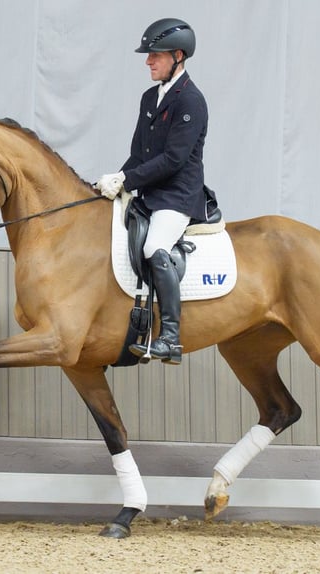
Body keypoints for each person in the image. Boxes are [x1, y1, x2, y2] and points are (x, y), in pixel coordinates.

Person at [96, 18, 210, 366]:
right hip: (148, 193)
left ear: (178, 56)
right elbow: (140, 153)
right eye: (148, 56)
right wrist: (116, 179)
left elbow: (174, 159)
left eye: (155, 55)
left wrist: (129, 181)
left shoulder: (190, 100)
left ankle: (170, 337)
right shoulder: (150, 97)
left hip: (177, 196)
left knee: (154, 247)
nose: (148, 61)